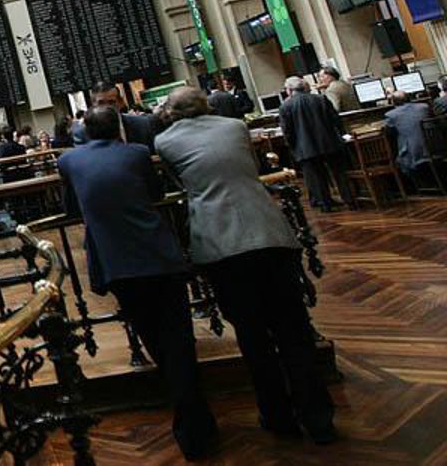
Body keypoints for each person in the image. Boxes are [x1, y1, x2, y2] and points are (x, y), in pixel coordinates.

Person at [156, 87, 337, 445]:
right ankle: (319, 419)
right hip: (269, 232)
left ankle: (277, 416)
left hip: (221, 243)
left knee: (253, 338)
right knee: (294, 330)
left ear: (171, 113)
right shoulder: (235, 126)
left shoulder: (165, 142)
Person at [58, 106, 217, 460]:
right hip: (159, 255)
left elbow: (71, 209)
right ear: (118, 129)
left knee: (154, 340)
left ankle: (191, 419)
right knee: (179, 340)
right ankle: (196, 423)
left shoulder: (68, 161)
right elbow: (153, 192)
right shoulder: (138, 153)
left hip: (118, 264)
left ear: (86, 132)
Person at [279, 76, 357, 211]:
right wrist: (340, 136)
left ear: (290, 90)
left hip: (305, 147)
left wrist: (293, 147)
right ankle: (350, 201)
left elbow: (287, 131)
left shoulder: (285, 106)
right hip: (329, 142)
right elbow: (335, 119)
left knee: (316, 177)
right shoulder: (320, 99)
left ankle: (325, 204)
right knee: (339, 174)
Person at [73, 81, 159, 150]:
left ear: (120, 103)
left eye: (111, 102)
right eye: (101, 103)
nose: (106, 107)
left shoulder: (143, 124)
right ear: (93, 105)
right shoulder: (83, 133)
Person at [384, 90, 432, 181]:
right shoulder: (424, 107)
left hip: (414, 155)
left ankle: (412, 185)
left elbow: (387, 133)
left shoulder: (391, 115)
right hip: (435, 148)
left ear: (393, 102)